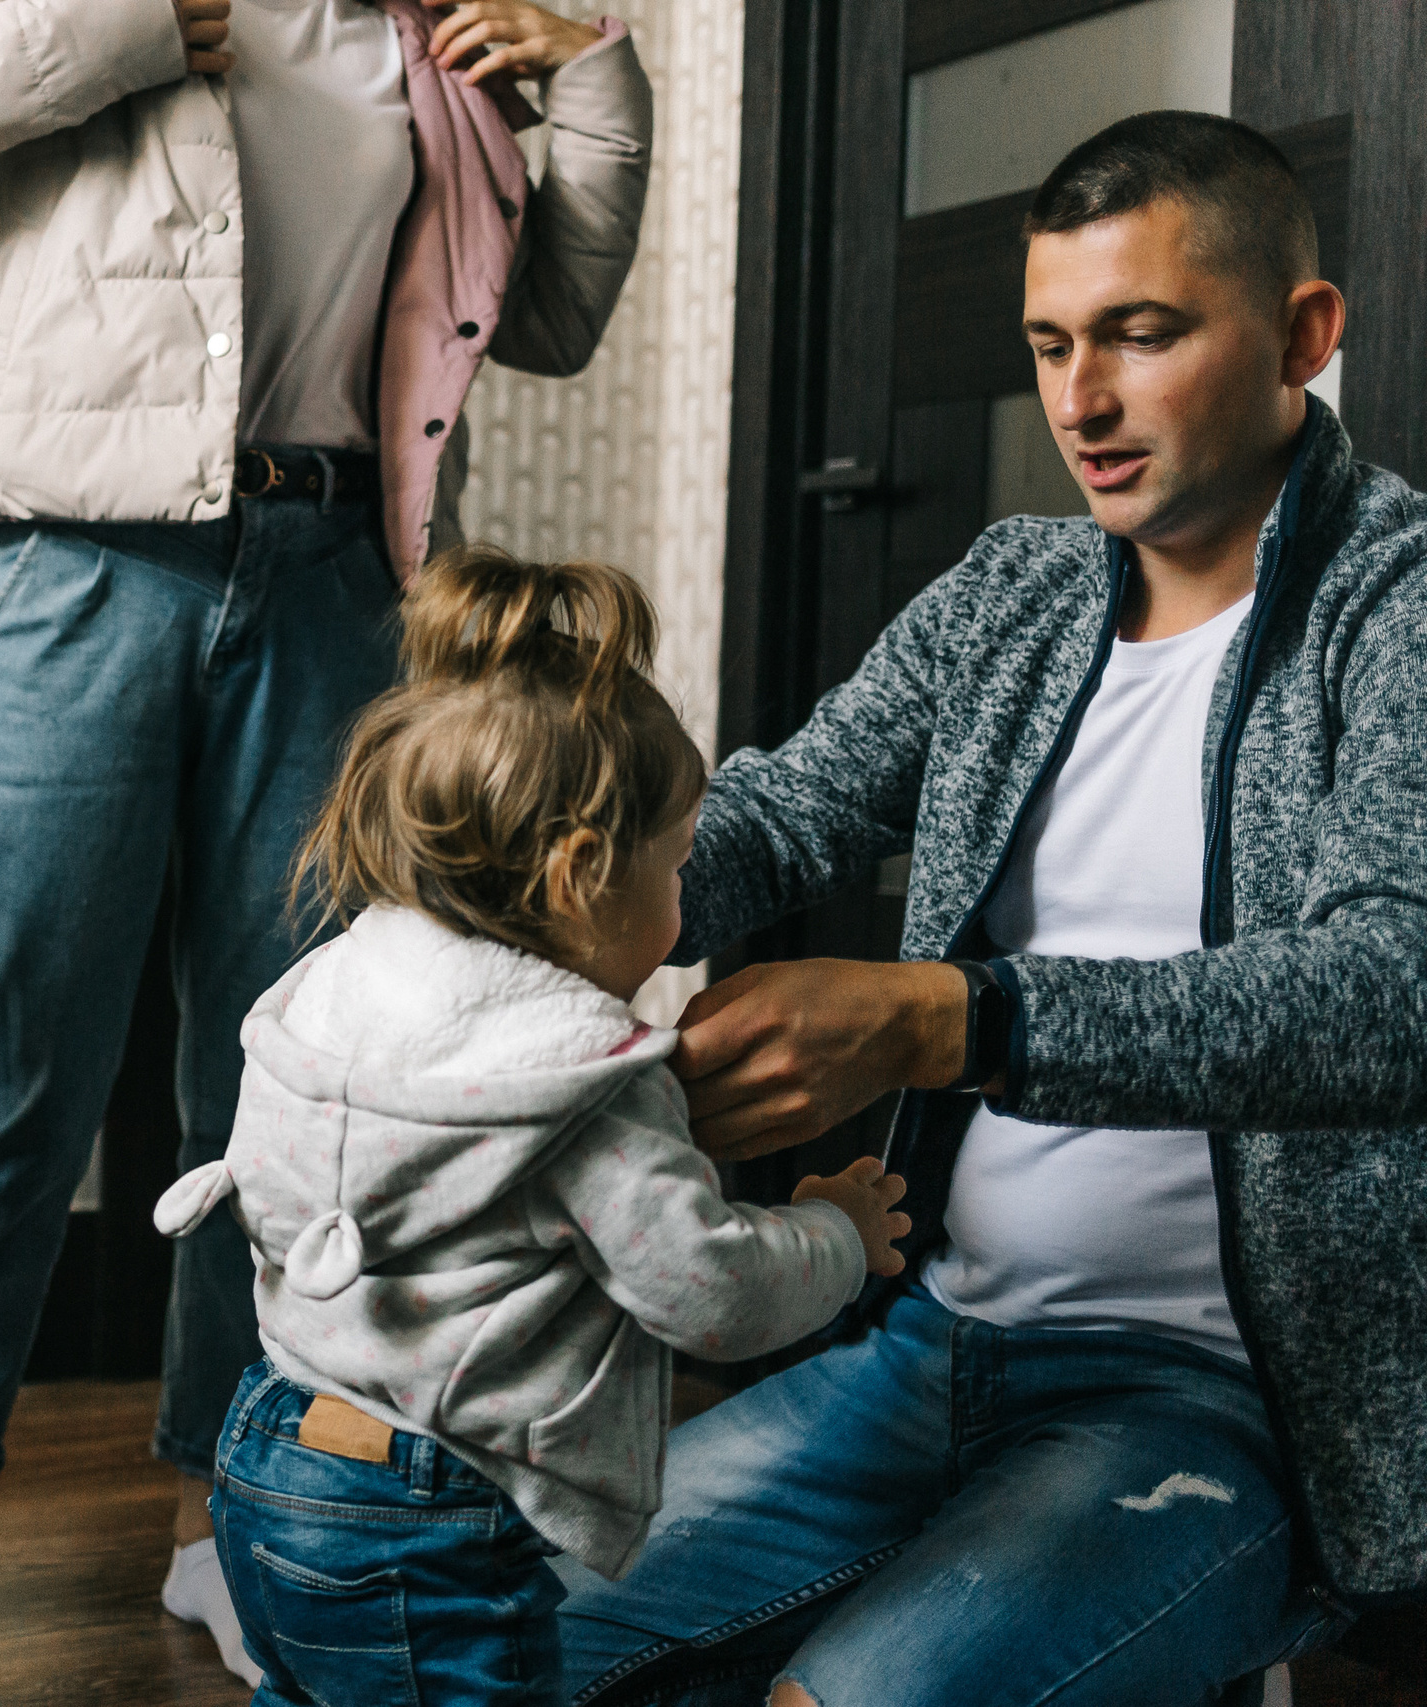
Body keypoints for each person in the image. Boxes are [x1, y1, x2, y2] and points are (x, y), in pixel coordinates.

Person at [0, 0, 653, 1686]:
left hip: (337, 580)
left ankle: (215, 1521)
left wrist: (594, 74)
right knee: (15, 1061)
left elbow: (548, 314)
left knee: (287, 1090)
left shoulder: (420, 38)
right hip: (87, 560)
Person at [555, 111, 1427, 1706]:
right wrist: (518, 887)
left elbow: (1389, 991)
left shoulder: (1401, 607)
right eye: (1049, 344)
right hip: (931, 1341)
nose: (1080, 401)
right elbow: (777, 809)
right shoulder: (1008, 591)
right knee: (478, 1637)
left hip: (1217, 1402)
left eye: (1139, 335)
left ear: (1304, 333)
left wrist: (961, 1017)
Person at [152, 548, 911, 1704]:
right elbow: (707, 1292)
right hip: (428, 1516)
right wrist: (834, 1240)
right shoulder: (584, 1081)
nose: (681, 902)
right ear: (576, 874)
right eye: (675, 866)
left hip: (265, 1449)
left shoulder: (329, 989)